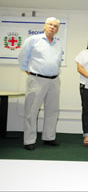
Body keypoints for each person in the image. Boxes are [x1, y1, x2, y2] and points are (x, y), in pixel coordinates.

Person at [18, 17, 63, 150]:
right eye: (50, 24)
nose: (52, 27)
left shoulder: (57, 43)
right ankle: (29, 140)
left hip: (54, 80)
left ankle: (49, 137)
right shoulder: (33, 40)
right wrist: (30, 72)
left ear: (57, 29)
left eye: (55, 26)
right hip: (37, 79)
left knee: (53, 110)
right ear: (44, 26)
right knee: (31, 111)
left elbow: (57, 61)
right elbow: (22, 57)